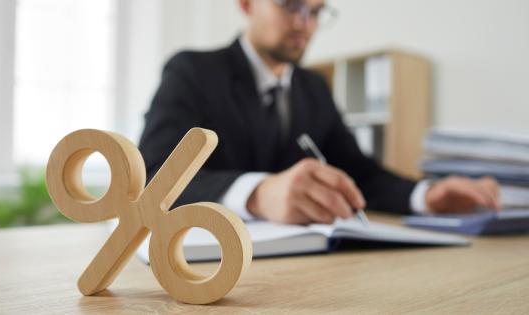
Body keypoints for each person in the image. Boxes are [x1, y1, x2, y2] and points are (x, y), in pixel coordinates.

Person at [139, 0, 501, 225]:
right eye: (291, 5)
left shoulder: (314, 88)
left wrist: (425, 195)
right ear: (246, 3)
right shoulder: (192, 71)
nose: (306, 25)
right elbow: (153, 174)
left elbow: (359, 174)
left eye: (316, 11)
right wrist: (259, 194)